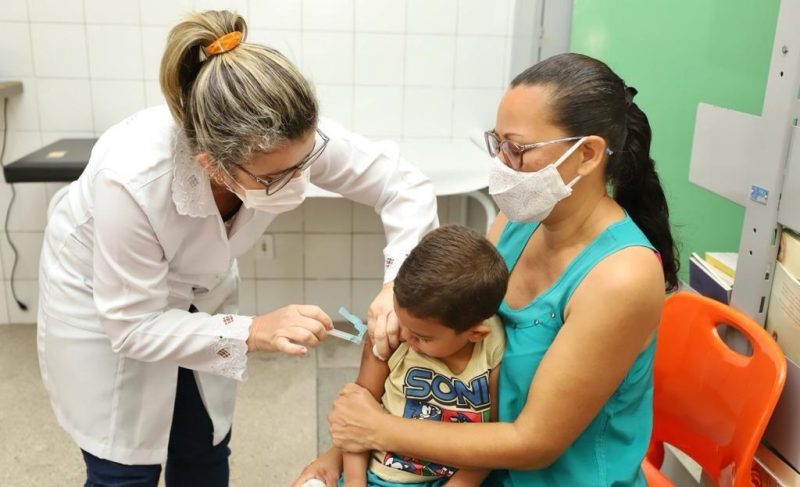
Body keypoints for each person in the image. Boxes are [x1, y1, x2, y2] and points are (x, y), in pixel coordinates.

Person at [37, 10, 437, 487]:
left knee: (203, 441)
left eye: (304, 165)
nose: (297, 183)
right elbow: (132, 325)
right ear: (214, 165)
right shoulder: (133, 179)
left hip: (197, 289)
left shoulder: (287, 137)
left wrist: (397, 283)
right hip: (104, 305)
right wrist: (255, 331)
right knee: (124, 468)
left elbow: (401, 185)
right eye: (273, 178)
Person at [295, 52, 678, 486]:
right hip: (463, 466)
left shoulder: (621, 277)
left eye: (517, 149)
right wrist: (343, 448)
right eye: (498, 145)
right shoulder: (517, 223)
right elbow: (442, 341)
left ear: (587, 154)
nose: (502, 165)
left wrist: (374, 429)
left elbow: (534, 442)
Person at [336, 225, 508, 487]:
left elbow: (491, 437)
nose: (404, 336)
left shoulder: (493, 348)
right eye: (399, 318)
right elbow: (354, 419)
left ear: (475, 334)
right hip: (383, 478)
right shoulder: (390, 335)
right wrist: (354, 483)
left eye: (423, 337)